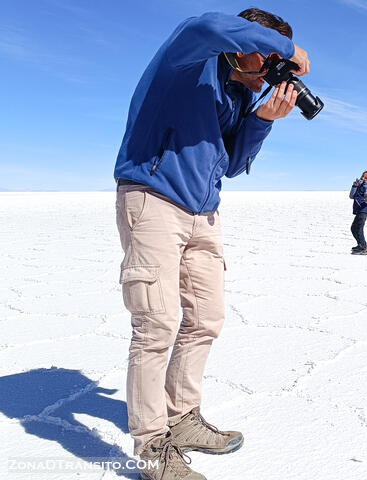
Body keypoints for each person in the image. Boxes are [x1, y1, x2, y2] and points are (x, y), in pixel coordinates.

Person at [113, 8, 310, 480]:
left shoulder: (238, 91)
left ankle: (180, 419)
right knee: (155, 324)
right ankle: (152, 447)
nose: (269, 66)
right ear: (241, 43)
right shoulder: (189, 59)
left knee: (204, 319)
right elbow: (203, 25)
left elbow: (231, 162)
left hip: (204, 213)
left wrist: (263, 117)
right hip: (153, 199)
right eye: (264, 52)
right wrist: (290, 50)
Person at [349, 171, 367, 255]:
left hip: (363, 210)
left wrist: (366, 197)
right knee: (353, 228)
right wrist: (354, 186)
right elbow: (351, 196)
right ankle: (361, 245)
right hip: (358, 210)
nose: (363, 178)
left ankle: (363, 247)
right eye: (362, 176)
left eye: (365, 178)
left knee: (358, 229)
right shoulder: (358, 185)